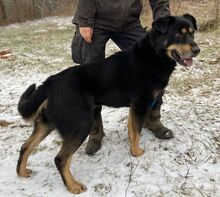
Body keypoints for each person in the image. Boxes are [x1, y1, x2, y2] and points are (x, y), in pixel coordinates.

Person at [71, 0, 173, 155]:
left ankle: (151, 118)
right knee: (91, 76)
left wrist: (163, 24)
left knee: (156, 62)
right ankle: (95, 130)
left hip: (129, 22)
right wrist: (85, 20)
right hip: (96, 21)